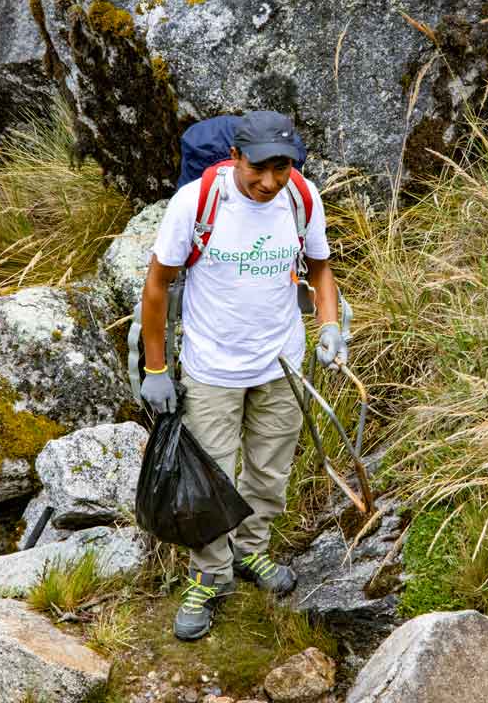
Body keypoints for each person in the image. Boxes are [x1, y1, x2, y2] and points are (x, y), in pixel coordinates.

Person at [138, 110, 348, 641]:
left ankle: (251, 552)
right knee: (212, 478)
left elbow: (319, 266)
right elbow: (158, 285)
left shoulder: (301, 197)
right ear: (236, 157)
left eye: (282, 168)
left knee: (270, 472)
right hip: (212, 368)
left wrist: (327, 327)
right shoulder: (197, 203)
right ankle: (209, 575)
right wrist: (157, 368)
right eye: (259, 168)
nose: (270, 182)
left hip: (281, 362)